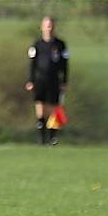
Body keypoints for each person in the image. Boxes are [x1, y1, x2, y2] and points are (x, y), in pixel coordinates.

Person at [25, 16, 68, 145]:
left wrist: (64, 80)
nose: (49, 28)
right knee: (40, 108)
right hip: (40, 80)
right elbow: (32, 64)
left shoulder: (60, 45)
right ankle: (41, 139)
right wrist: (30, 80)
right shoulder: (37, 45)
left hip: (54, 80)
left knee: (54, 109)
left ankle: (53, 138)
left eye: (51, 25)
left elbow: (65, 64)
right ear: (42, 27)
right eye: (47, 25)